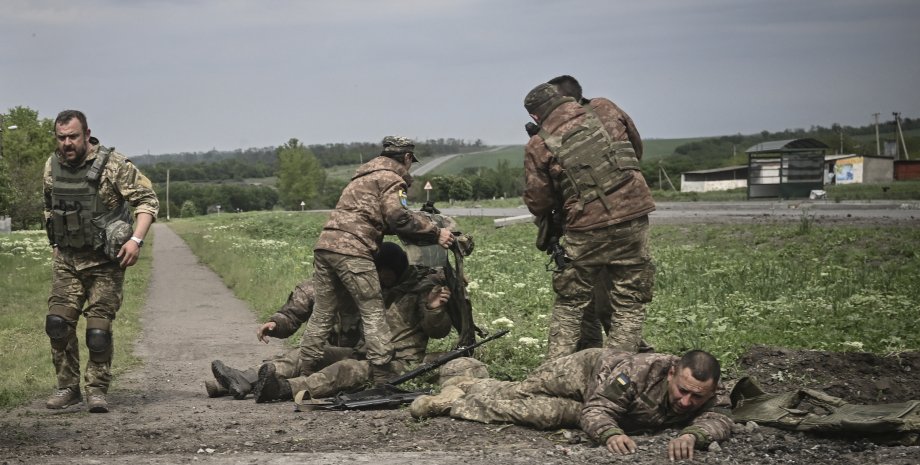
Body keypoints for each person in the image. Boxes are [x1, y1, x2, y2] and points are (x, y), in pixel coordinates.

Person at [297, 136, 454, 385]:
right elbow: (398, 217)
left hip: (325, 245)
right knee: (372, 310)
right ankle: (382, 376)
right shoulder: (393, 179)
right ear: (406, 158)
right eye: (410, 161)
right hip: (353, 250)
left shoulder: (362, 177)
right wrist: (436, 232)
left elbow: (373, 218)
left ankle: (305, 369)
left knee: (322, 312)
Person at [523, 77, 656, 359]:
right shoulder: (605, 108)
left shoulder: (538, 143)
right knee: (629, 302)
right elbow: (635, 149)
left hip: (585, 227)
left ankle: (553, 375)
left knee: (570, 302)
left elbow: (539, 202)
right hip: (633, 215)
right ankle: (617, 374)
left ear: (536, 115)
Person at [411, 349, 732, 461]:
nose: (686, 402)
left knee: (544, 413)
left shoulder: (707, 391)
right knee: (521, 394)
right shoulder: (640, 372)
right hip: (583, 372)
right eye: (682, 391)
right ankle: (462, 391)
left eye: (697, 398)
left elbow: (721, 417)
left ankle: (460, 398)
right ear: (672, 373)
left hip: (591, 401)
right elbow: (598, 409)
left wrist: (694, 436)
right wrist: (608, 434)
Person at [42, 110, 159, 413]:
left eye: (73, 136)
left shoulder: (113, 165)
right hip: (68, 260)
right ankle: (68, 388)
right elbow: (49, 206)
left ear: (87, 133)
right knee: (57, 323)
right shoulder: (51, 166)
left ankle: (96, 390)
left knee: (98, 330)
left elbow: (147, 201)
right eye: (62, 137)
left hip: (106, 261)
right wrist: (55, 242)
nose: (67, 143)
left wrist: (136, 240)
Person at [252, 242, 455, 403]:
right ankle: (251, 378)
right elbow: (304, 301)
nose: (383, 280)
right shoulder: (368, 286)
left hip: (395, 362)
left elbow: (438, 330)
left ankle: (285, 388)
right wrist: (277, 323)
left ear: (399, 269)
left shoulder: (422, 290)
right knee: (308, 353)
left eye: (387, 274)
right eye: (379, 274)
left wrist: (434, 308)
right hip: (362, 351)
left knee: (346, 369)